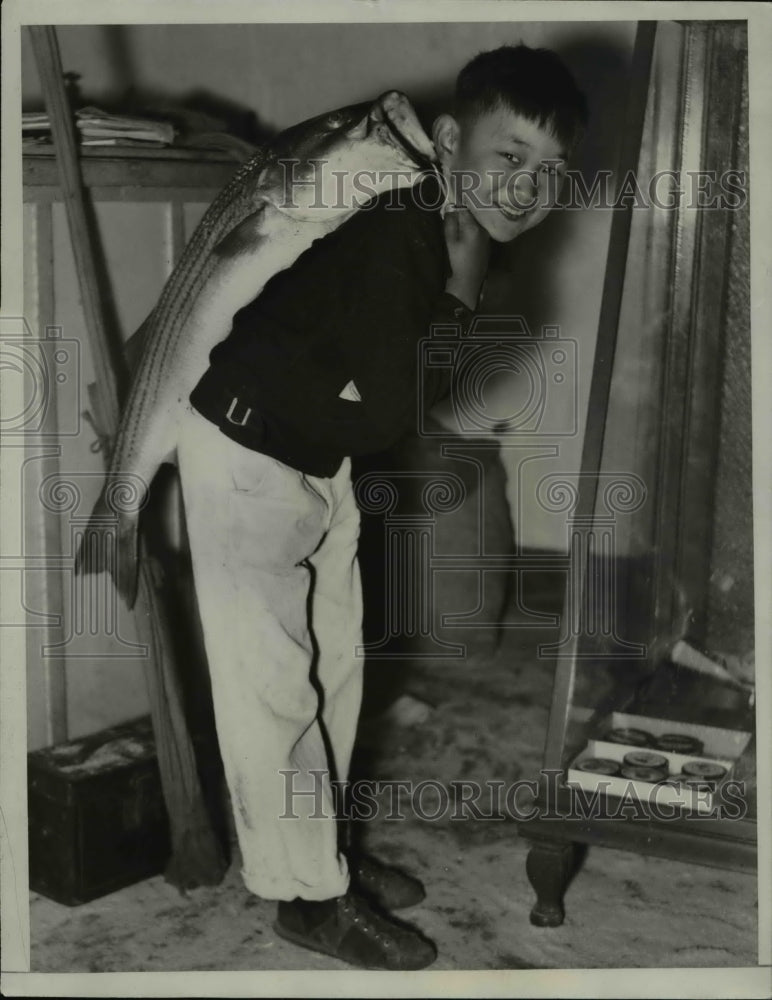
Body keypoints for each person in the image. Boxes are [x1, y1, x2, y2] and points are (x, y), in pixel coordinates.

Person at [175, 44, 587, 970]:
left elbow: (389, 405)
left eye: (550, 170)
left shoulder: (449, 225)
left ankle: (325, 857)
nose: (527, 187)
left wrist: (462, 283)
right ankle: (305, 904)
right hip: (244, 454)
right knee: (273, 689)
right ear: (449, 139)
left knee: (336, 672)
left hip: (319, 457)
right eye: (508, 156)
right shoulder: (397, 233)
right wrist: (459, 292)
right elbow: (404, 406)